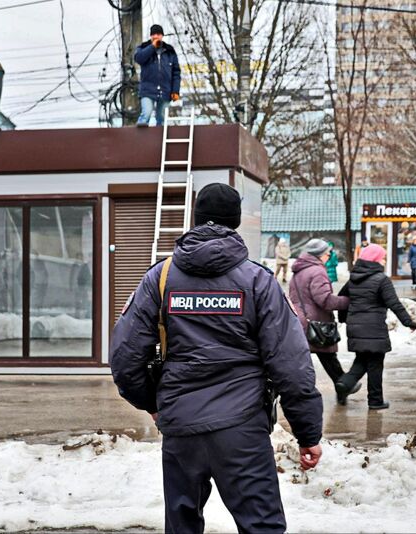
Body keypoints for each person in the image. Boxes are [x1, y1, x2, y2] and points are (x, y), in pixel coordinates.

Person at [110, 183, 322, 534]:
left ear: (196, 219)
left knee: (182, 527)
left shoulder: (160, 278)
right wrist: (308, 433)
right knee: (262, 527)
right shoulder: (258, 281)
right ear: (235, 221)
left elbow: (125, 358)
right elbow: (291, 366)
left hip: (181, 427)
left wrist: (153, 402)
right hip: (243, 428)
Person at [336, 244, 416, 410]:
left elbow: (342, 299)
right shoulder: (381, 279)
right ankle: (375, 401)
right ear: (375, 259)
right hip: (373, 328)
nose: (384, 259)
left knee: (362, 360)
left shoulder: (354, 278)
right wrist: (409, 322)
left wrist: (344, 319)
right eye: (382, 257)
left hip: (356, 327)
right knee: (375, 364)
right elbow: (394, 303)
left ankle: (344, 383)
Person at [289, 239, 351, 404]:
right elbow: (325, 300)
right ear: (319, 255)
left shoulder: (298, 270)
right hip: (317, 322)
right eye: (327, 253)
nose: (329, 255)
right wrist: (348, 301)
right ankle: (343, 386)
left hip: (300, 321)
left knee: (308, 360)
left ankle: (342, 388)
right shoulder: (317, 271)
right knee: (328, 357)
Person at [134, 24, 181, 127]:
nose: (156, 36)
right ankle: (140, 140)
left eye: (158, 34)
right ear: (150, 36)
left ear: (162, 35)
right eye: (153, 34)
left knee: (162, 118)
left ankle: (159, 141)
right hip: (148, 90)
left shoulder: (169, 51)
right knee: (146, 114)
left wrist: (175, 91)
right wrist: (152, 47)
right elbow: (138, 58)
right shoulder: (143, 47)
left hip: (165, 90)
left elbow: (176, 72)